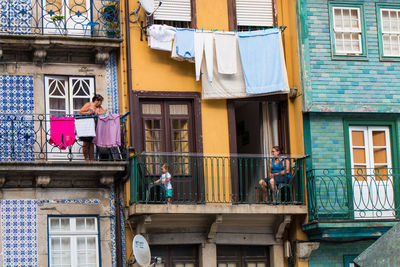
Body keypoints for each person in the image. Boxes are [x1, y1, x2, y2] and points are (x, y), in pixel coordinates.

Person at [79, 94, 105, 161]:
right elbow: (81, 111)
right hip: (87, 125)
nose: (101, 103)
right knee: (86, 142)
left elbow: (104, 113)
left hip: (94, 126)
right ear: (96, 100)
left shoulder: (99, 107)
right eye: (100, 101)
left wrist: (97, 113)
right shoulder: (89, 104)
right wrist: (88, 113)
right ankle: (86, 158)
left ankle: (91, 159)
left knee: (91, 143)